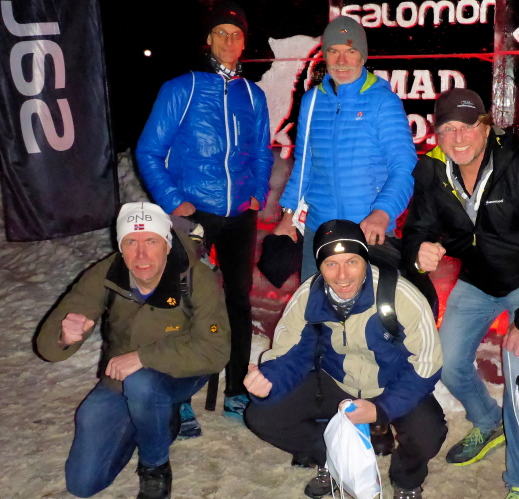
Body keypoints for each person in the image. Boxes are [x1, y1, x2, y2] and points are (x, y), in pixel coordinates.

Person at [401, 88, 519, 499]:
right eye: (447, 129)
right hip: (477, 281)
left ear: (485, 127)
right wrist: (417, 250)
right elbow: (416, 230)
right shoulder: (432, 170)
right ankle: (487, 422)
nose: (457, 138)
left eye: (467, 127)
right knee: (446, 363)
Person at [36, 202, 230, 499]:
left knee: (143, 386)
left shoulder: (195, 277)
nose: (141, 255)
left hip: (183, 369)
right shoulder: (107, 273)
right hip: (122, 376)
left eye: (151, 241)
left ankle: (155, 467)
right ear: (120, 247)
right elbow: (49, 345)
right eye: (131, 242)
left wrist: (143, 358)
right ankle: (158, 421)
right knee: (83, 484)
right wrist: (64, 336)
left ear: (167, 245)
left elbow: (215, 352)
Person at [136, 0, 273, 421]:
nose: (229, 41)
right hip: (193, 213)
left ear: (244, 42)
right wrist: (175, 201)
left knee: (238, 302)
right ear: (208, 39)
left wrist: (257, 193)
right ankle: (176, 396)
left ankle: (236, 388)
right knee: (180, 302)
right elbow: (149, 151)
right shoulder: (183, 88)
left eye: (237, 34)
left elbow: (262, 152)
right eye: (221, 33)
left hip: (240, 215)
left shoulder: (253, 95)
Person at [243, 220, 446, 499]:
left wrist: (381, 410)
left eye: (351, 261)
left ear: (365, 260)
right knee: (262, 416)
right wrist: (269, 380)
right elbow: (291, 352)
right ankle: (333, 461)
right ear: (320, 266)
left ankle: (407, 480)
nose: (342, 275)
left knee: (428, 433)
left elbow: (426, 365)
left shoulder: (400, 295)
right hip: (336, 381)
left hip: (392, 383)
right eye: (331, 264)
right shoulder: (309, 295)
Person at [272, 15, 418, 282]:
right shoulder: (312, 101)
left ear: (362, 56)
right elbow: (304, 165)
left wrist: (382, 212)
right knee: (315, 304)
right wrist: (288, 214)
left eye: (350, 51)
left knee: (372, 307)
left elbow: (404, 167)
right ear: (324, 56)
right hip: (320, 229)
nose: (342, 61)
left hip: (369, 230)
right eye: (333, 51)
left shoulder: (383, 101)